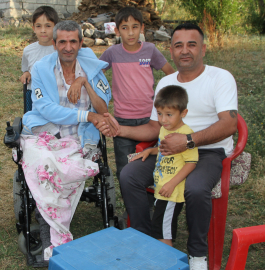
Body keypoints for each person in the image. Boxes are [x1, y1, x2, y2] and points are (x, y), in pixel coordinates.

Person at [96, 23, 238, 270]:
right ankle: (143, 240)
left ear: (203, 49)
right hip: (169, 150)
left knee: (194, 187)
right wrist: (119, 130)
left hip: (207, 151)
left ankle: (197, 256)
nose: (185, 51)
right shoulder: (166, 82)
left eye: (191, 44)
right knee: (129, 174)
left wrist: (189, 141)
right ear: (170, 51)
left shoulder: (220, 77)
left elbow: (230, 124)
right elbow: (154, 127)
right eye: (178, 45)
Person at [20, 20, 116, 265]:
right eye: (62, 41)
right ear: (54, 44)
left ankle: (53, 232)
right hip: (45, 133)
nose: (68, 47)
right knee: (43, 165)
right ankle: (50, 235)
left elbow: (103, 110)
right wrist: (88, 115)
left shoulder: (92, 69)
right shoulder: (41, 69)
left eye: (73, 41)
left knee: (69, 169)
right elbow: (46, 109)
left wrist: (84, 82)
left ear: (81, 43)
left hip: (79, 137)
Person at [99, 7, 175, 179]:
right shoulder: (112, 53)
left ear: (142, 28)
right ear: (117, 31)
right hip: (123, 119)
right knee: (125, 169)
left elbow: (171, 74)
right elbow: (95, 75)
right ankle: (131, 204)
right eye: (124, 28)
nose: (130, 32)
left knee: (151, 165)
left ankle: (148, 203)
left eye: (135, 27)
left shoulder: (150, 50)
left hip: (150, 118)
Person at [130, 85, 198, 247]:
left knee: (163, 231)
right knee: (159, 227)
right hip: (162, 189)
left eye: (169, 115)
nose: (163, 120)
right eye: (159, 114)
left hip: (171, 192)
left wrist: (171, 184)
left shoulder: (185, 136)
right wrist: (150, 151)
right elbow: (163, 148)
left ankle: (166, 262)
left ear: (183, 113)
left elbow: (191, 163)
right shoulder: (164, 130)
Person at [19, 6, 58, 92]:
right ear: (34, 28)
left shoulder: (61, 51)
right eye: (38, 26)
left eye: (48, 26)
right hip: (34, 96)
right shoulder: (28, 50)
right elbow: (26, 69)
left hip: (56, 94)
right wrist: (26, 74)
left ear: (56, 28)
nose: (43, 30)